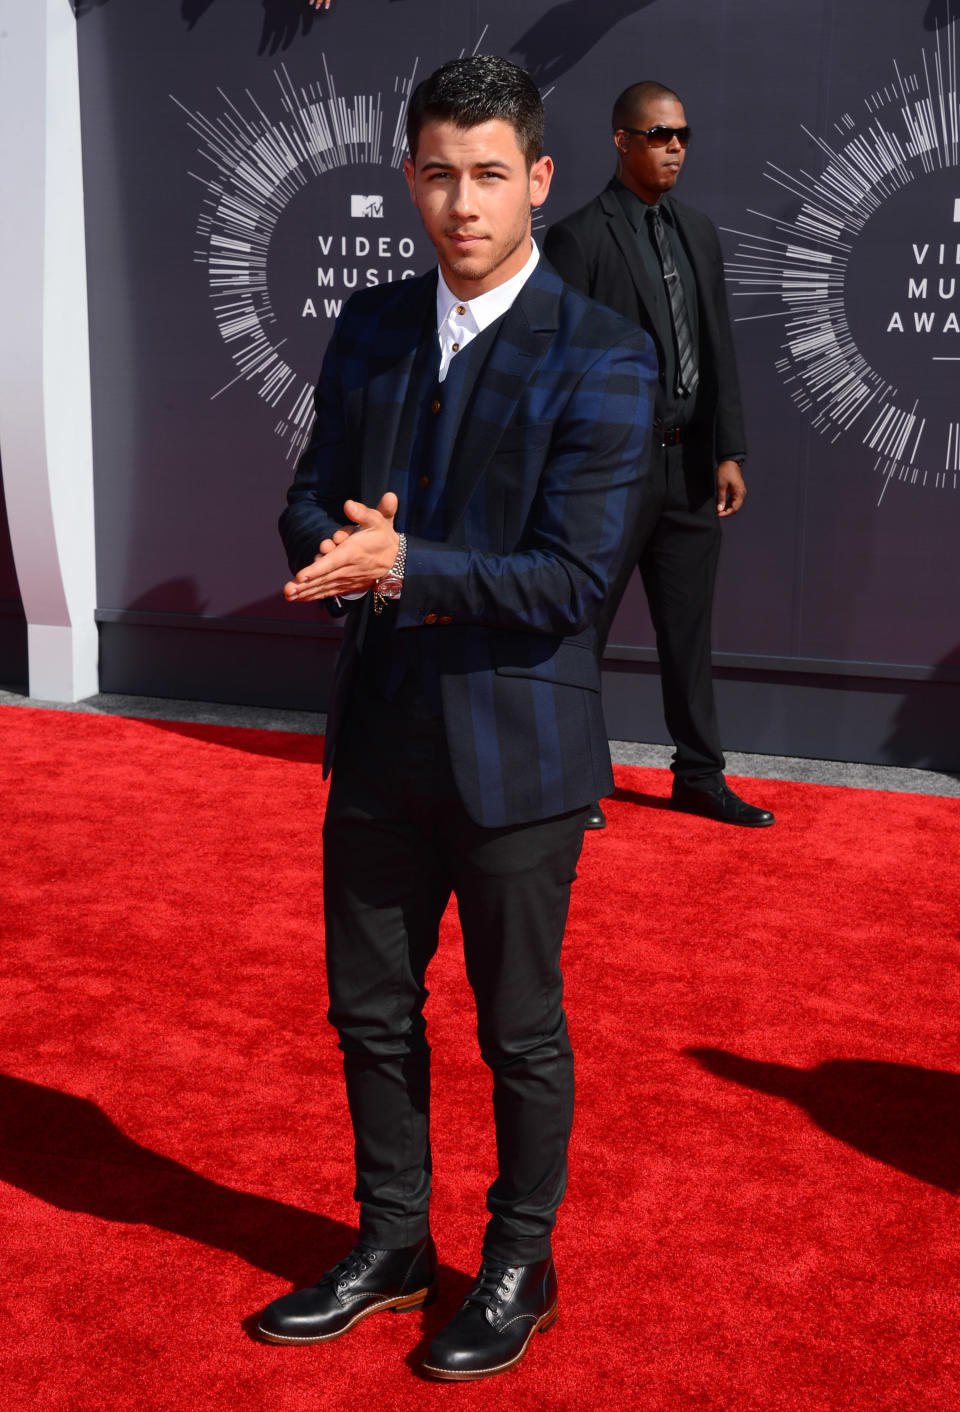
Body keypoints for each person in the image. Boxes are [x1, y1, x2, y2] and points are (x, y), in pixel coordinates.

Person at [255, 56, 657, 1381]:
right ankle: (391, 1244)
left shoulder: (604, 351)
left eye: (489, 175)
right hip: (378, 731)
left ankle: (521, 1264)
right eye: (437, 173)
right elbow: (309, 494)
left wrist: (405, 566)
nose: (461, 203)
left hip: (521, 755)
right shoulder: (369, 325)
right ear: (410, 178)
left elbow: (574, 579)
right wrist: (336, 547)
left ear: (537, 179)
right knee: (369, 1013)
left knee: (517, 1028)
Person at [544, 81, 774, 829]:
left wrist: (728, 449)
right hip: (611, 477)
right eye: (657, 133)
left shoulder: (699, 231)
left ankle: (699, 777)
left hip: (689, 470)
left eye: (682, 134)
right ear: (620, 139)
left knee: (689, 636)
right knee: (582, 632)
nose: (673, 146)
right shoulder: (579, 237)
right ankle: (574, 780)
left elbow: (718, 351)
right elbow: (560, 367)